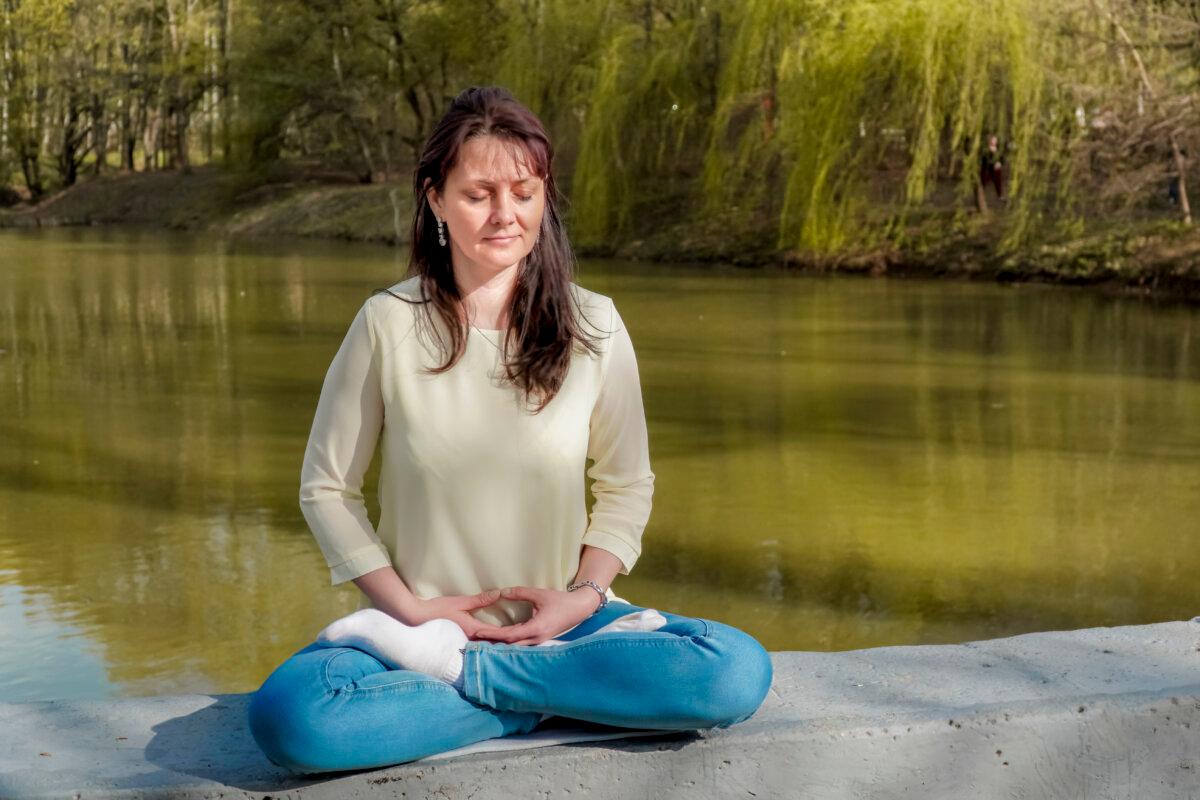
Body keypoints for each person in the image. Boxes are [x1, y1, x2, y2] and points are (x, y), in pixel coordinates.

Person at [246, 86, 773, 775]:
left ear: (545, 195)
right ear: (434, 198)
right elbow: (326, 489)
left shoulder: (597, 326)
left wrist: (580, 598)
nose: (505, 215)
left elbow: (626, 484)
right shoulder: (387, 324)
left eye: (524, 193)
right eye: (479, 194)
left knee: (732, 672)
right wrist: (410, 612)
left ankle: (479, 682)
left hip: (571, 627)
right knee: (291, 719)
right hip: (417, 628)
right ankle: (568, 698)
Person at [980, 133, 1004, 202]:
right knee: (984, 182)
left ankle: (1000, 196)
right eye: (994, 140)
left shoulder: (998, 149)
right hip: (988, 169)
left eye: (996, 140)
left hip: (997, 169)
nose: (995, 141)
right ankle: (981, 195)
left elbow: (1002, 158)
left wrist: (1000, 163)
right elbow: (985, 160)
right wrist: (994, 164)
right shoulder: (986, 150)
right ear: (990, 140)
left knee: (998, 182)